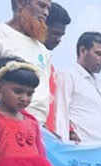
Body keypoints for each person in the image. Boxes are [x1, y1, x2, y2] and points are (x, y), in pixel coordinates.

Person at [0, 0, 53, 124]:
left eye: (48, 9)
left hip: (36, 126)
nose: (46, 13)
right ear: (20, 3)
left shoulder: (42, 49)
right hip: (2, 121)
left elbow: (44, 92)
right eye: (41, 5)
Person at [54, 31, 101, 143]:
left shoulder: (97, 84)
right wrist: (62, 148)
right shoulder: (68, 75)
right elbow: (60, 114)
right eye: (99, 54)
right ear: (83, 51)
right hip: (83, 152)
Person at [42, 1, 69, 134]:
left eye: (61, 35)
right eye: (55, 33)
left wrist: (69, 129)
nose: (58, 39)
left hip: (48, 138)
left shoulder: (51, 69)